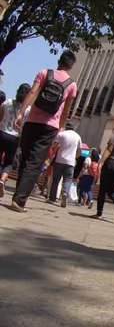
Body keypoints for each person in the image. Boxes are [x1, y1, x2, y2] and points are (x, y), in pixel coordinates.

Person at [9, 50, 78, 213]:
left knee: (25, 158)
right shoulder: (72, 85)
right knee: (35, 163)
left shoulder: (44, 73)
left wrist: (20, 113)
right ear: (71, 66)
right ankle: (19, 200)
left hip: (32, 121)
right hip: (50, 126)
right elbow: (66, 111)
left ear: (59, 61)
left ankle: (18, 196)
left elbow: (33, 92)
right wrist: (59, 128)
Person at [0, 83, 31, 197]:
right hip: (14, 137)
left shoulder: (7, 102)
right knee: (9, 161)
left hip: (2, 133)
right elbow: (26, 126)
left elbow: (0, 117)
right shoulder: (27, 109)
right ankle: (2, 180)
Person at [47, 122, 82, 207]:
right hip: (70, 163)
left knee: (56, 180)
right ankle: (65, 194)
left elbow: (54, 145)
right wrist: (75, 157)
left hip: (59, 160)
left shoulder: (62, 134)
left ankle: (52, 198)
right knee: (68, 180)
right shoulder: (78, 136)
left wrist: (51, 155)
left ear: (67, 127)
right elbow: (79, 150)